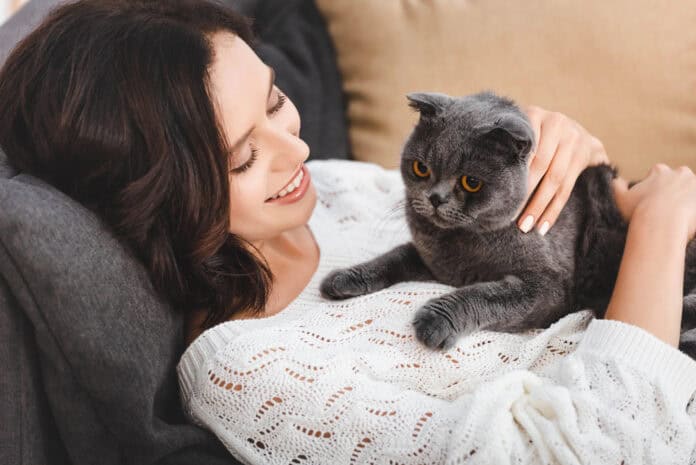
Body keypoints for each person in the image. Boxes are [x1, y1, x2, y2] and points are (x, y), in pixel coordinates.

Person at [0, 1, 694, 464]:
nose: (295, 150)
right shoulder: (249, 373)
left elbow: (580, 227)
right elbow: (583, 449)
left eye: (276, 100)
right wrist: (660, 230)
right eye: (244, 156)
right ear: (156, 200)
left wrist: (581, 171)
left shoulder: (325, 187)